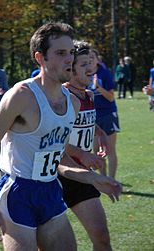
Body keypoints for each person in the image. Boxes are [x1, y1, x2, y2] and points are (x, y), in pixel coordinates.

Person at [0, 22, 79, 251]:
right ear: (40, 58)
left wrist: (92, 177)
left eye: (71, 52)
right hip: (17, 192)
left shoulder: (73, 102)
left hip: (50, 189)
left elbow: (56, 154)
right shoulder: (21, 96)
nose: (69, 59)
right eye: (61, 53)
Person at [58, 41, 118, 251]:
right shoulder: (62, 97)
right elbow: (54, 141)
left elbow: (86, 123)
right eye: (84, 64)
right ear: (70, 68)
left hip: (82, 176)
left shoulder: (89, 95)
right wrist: (81, 153)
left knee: (101, 237)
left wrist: (99, 133)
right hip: (54, 176)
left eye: (91, 62)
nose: (91, 67)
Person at [88, 48, 120, 179]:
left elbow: (111, 97)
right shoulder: (82, 73)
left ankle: (111, 180)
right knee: (96, 150)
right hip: (92, 116)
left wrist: (98, 88)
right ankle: (102, 179)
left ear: (97, 59)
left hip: (108, 115)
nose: (89, 60)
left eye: (92, 57)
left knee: (110, 149)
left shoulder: (105, 73)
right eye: (87, 57)